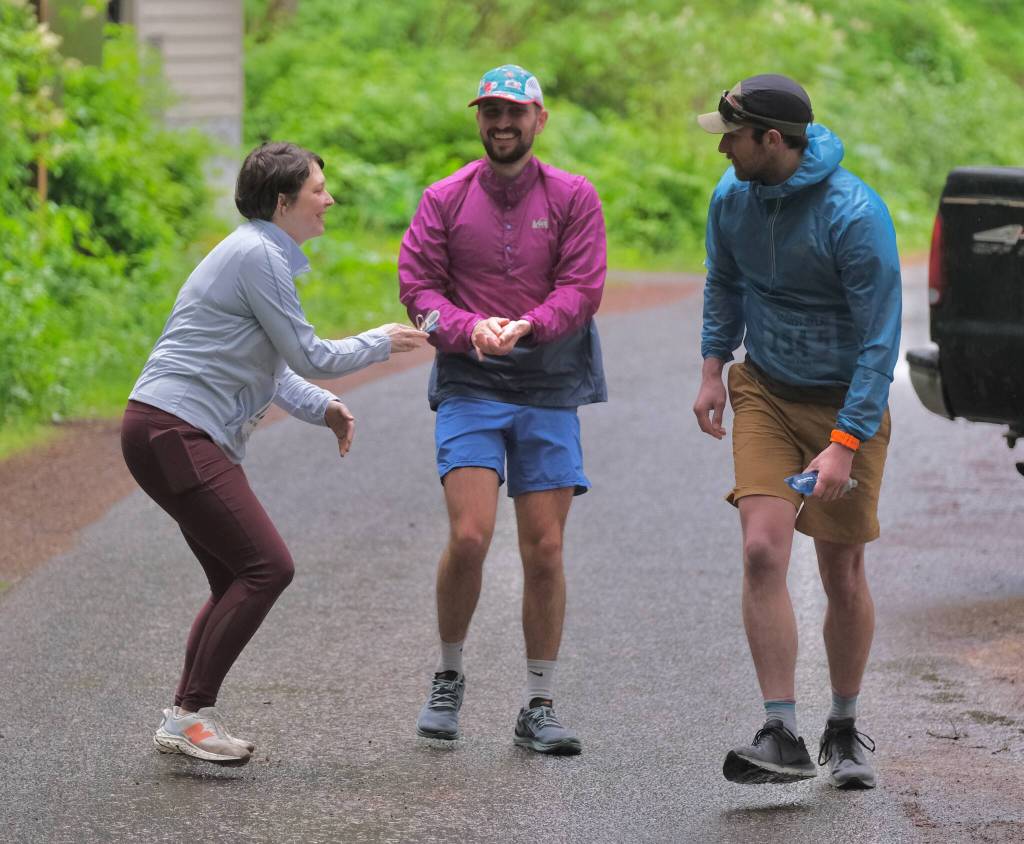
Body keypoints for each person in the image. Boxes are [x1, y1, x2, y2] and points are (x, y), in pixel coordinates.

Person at [121, 142, 428, 765]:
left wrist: (322, 408)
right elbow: (311, 353)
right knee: (267, 567)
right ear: (283, 201)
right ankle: (186, 716)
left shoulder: (257, 254)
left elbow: (274, 366)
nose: (329, 199)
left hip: (165, 429)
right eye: (318, 189)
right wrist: (380, 340)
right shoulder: (258, 255)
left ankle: (185, 716)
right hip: (173, 430)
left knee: (236, 575)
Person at [692, 75, 901, 789]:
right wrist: (712, 367)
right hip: (769, 393)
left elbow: (881, 341)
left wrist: (846, 442)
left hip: (849, 402)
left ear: (772, 140)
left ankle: (842, 726)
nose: (722, 148)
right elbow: (724, 281)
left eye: (733, 136)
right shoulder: (733, 199)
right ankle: (780, 730)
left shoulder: (854, 214)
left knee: (841, 571)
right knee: (760, 550)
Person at [398, 64, 607, 755]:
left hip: (549, 387)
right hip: (472, 383)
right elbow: (418, 286)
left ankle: (538, 704)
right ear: (478, 118)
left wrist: (529, 324)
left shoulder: (574, 197)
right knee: (469, 536)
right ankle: (449, 677)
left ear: (539, 119)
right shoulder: (445, 198)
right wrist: (467, 329)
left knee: (545, 548)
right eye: (490, 112)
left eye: (515, 112)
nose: (502, 124)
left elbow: (582, 288)